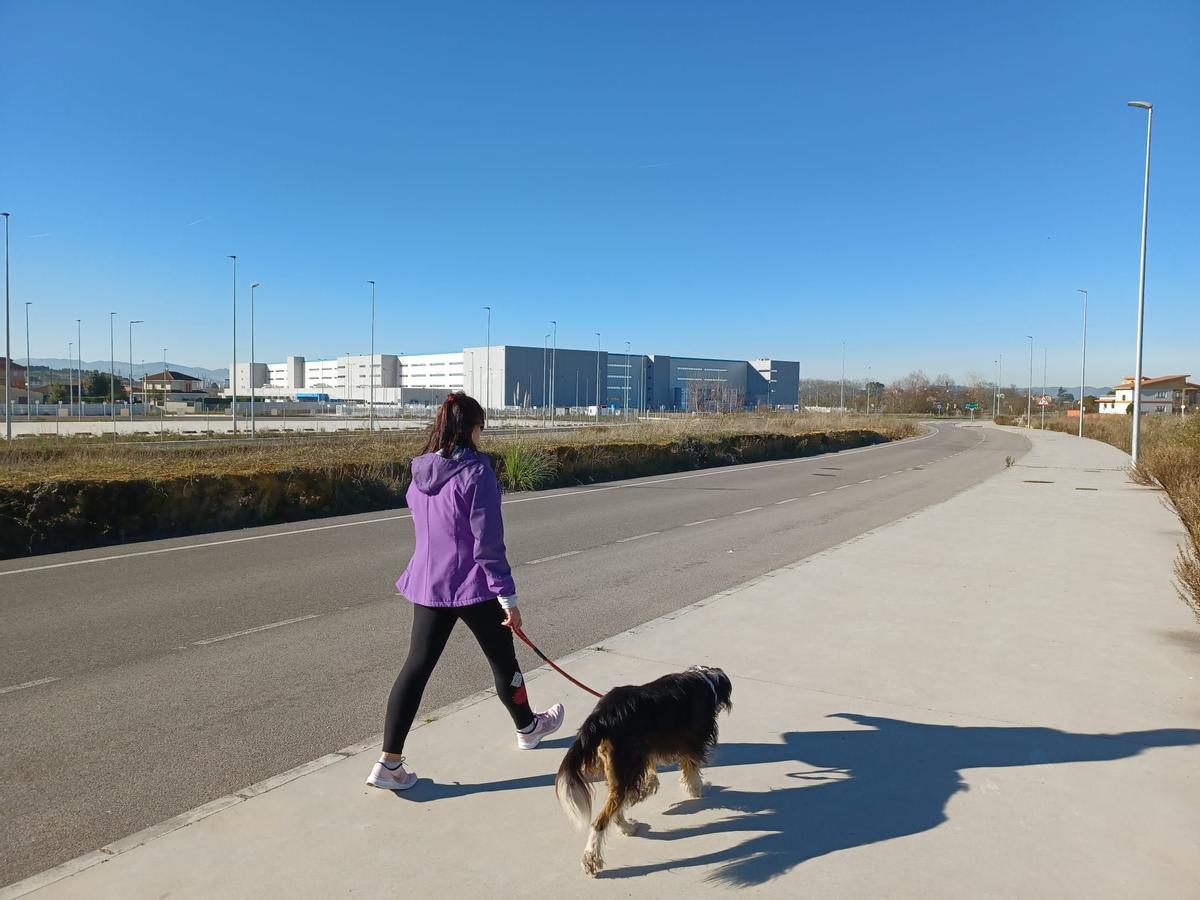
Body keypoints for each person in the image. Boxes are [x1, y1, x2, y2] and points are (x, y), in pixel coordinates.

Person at [367, 391, 564, 790]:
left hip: (429, 584)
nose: (482, 435)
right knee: (503, 660)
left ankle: (389, 763)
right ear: (472, 427)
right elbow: (487, 543)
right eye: (481, 427)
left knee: (416, 668)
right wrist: (508, 597)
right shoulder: (477, 472)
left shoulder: (420, 469)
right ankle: (528, 727)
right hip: (473, 586)